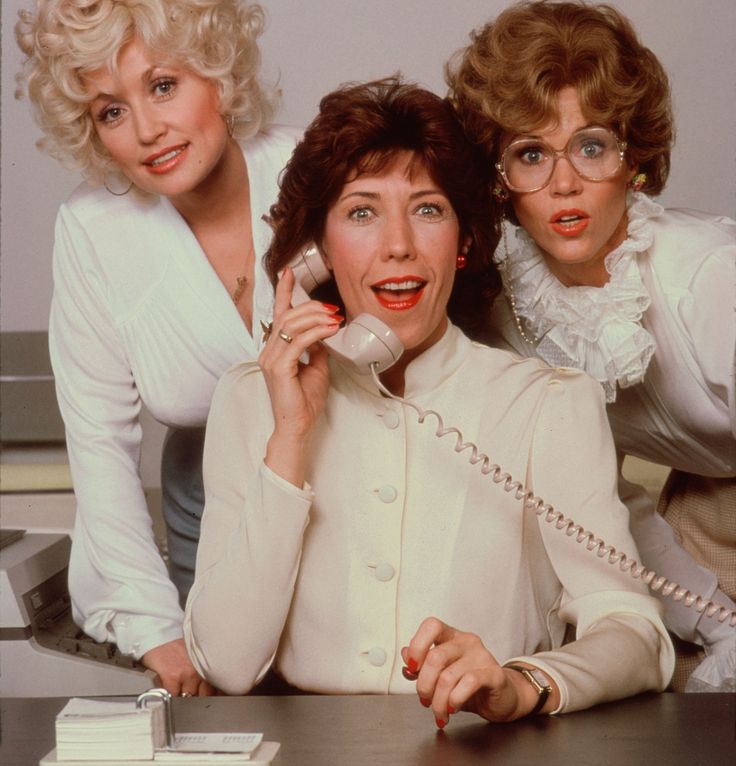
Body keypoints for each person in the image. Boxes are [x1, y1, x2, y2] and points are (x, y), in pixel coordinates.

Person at [184, 77, 673, 719]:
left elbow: (635, 632)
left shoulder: (545, 403)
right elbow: (226, 662)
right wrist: (290, 437)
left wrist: (524, 682)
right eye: (361, 212)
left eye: (428, 209)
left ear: (465, 241)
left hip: (488, 750)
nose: (398, 245)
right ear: (318, 252)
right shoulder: (251, 400)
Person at [15, 0, 300, 696]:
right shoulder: (94, 227)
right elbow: (99, 443)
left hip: (361, 518)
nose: (146, 130)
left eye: (164, 85)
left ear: (221, 74)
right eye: (111, 110)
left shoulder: (319, 170)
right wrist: (158, 630)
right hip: (209, 547)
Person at [447, 0, 736, 692]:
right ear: (499, 179)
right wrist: (721, 624)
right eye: (530, 154)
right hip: (700, 506)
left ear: (632, 158)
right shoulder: (508, 313)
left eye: (591, 146)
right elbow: (603, 501)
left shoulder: (708, 275)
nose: (565, 182)